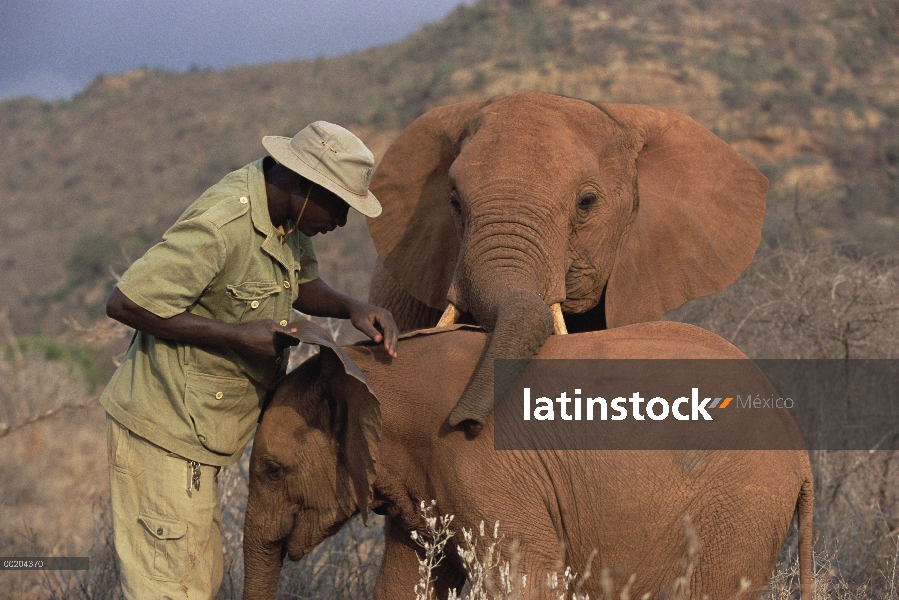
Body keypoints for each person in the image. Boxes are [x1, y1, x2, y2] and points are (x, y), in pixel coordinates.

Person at [100, 121, 398, 599]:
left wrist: (351, 308)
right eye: (339, 205)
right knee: (173, 588)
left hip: (201, 435)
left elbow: (300, 284)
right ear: (306, 186)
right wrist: (238, 336)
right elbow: (126, 303)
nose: (341, 221)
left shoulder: (285, 217)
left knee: (199, 580)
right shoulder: (223, 224)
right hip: (164, 431)